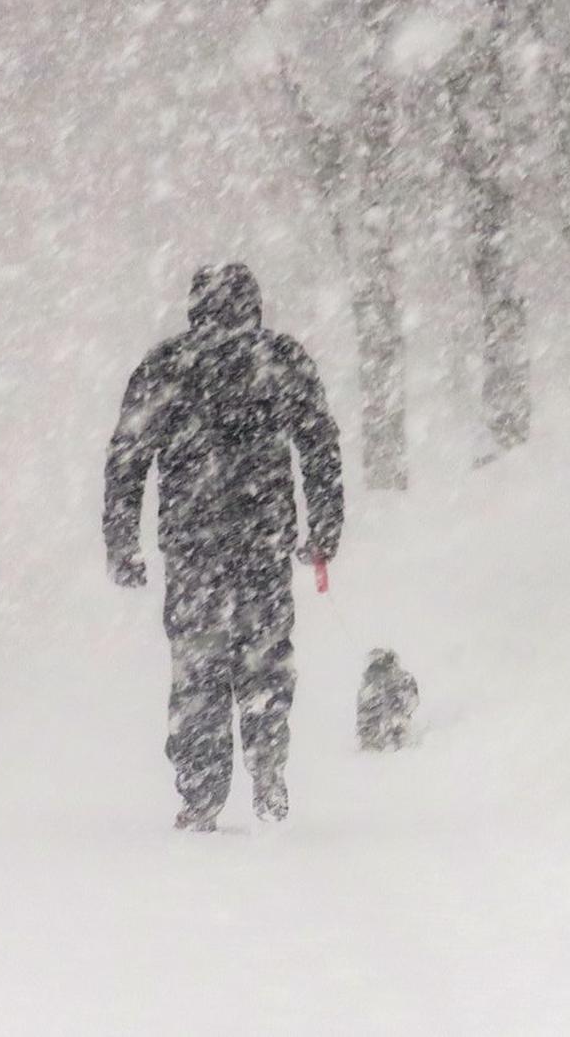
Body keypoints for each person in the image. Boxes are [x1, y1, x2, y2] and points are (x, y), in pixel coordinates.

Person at [103, 263, 343, 831]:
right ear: (254, 307)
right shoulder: (280, 360)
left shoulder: (167, 365)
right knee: (264, 658)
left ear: (195, 309)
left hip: (194, 547)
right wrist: (324, 527)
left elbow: (127, 459)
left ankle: (201, 794)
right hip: (263, 540)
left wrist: (123, 542)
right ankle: (267, 768)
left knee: (199, 669)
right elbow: (319, 445)